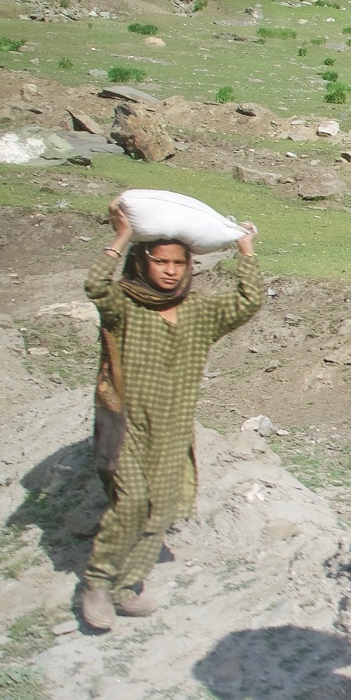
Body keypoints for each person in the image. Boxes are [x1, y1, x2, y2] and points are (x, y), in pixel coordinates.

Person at [80, 201, 263, 632]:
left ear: (190, 266)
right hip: (126, 426)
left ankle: (127, 588)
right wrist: (121, 236)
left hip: (173, 431)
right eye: (160, 261)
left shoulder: (200, 314)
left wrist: (245, 248)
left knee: (161, 509)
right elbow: (94, 286)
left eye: (179, 263)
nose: (170, 271)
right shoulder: (124, 307)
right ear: (143, 262)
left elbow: (250, 300)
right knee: (132, 503)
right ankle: (97, 582)